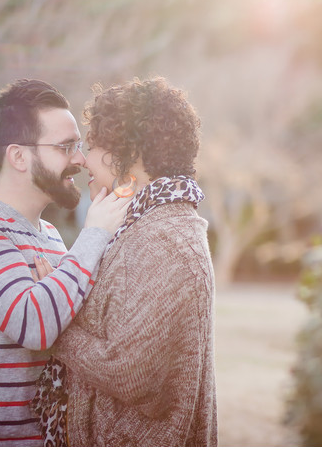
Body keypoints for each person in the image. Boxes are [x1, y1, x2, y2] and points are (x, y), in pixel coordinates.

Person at [0, 79, 129, 446]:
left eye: (79, 146)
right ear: (19, 156)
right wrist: (95, 233)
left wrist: (55, 288)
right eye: (65, 146)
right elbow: (36, 325)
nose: (80, 159)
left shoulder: (52, 237)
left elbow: (68, 321)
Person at [30, 76, 218, 446]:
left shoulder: (165, 243)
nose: (82, 159)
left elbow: (131, 373)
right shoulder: (144, 226)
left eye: (94, 144)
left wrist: (54, 325)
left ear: (131, 155)